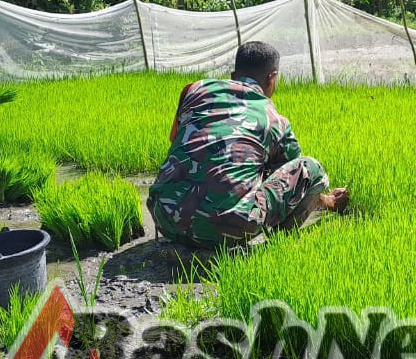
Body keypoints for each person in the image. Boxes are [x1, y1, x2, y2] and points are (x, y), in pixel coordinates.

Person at [147, 41, 349, 248]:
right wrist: (328, 201)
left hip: (164, 217)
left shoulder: (195, 89)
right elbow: (294, 180)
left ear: (234, 75)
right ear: (271, 77)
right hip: (225, 231)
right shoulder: (274, 119)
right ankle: (279, 245)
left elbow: (179, 141)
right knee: (311, 168)